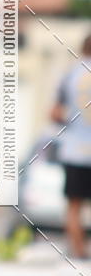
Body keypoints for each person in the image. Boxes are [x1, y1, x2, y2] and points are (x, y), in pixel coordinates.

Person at [50, 33, 91, 259]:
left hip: (75, 151)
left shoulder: (70, 75)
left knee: (74, 207)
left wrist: (70, 122)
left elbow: (54, 112)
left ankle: (79, 252)